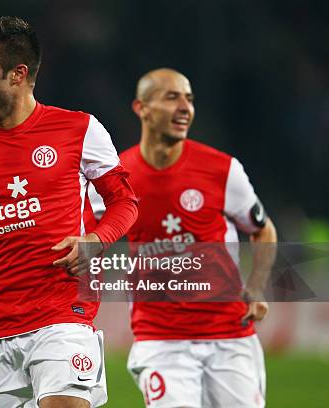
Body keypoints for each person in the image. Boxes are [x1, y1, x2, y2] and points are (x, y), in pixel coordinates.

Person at [0, 17, 138, 408]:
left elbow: (125, 201)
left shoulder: (79, 129)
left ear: (18, 74)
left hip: (61, 316)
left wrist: (95, 241)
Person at [90, 68, 277, 407]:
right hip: (160, 339)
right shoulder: (117, 177)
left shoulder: (222, 170)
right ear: (141, 108)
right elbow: (76, 229)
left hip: (230, 334)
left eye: (189, 99)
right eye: (171, 97)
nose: (185, 107)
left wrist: (258, 285)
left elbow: (263, 228)